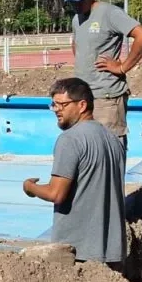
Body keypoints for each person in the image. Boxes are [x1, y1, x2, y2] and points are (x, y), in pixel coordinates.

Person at [23, 78, 126, 270]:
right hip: (113, 252)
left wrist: (30, 187)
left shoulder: (70, 140)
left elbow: (56, 194)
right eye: (54, 104)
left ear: (82, 105)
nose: (56, 110)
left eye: (62, 104)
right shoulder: (113, 140)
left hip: (79, 253)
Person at [64, 0, 142, 151]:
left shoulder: (109, 13)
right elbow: (78, 44)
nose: (76, 6)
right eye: (71, 3)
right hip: (83, 97)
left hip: (106, 98)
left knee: (111, 150)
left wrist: (122, 67)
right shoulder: (77, 18)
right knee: (87, 150)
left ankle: (115, 180)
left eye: (79, 1)